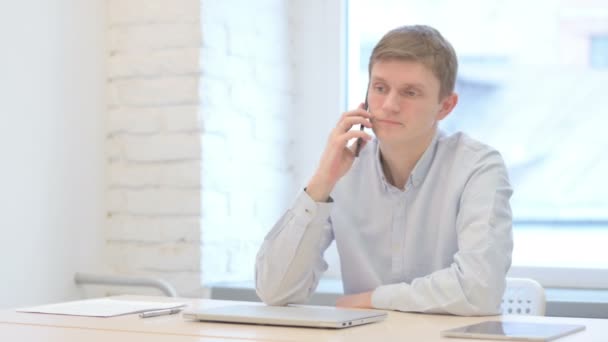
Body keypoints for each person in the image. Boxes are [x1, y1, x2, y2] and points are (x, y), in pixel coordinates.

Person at [255, 25, 513, 316]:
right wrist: (320, 184)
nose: (389, 105)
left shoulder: (478, 168)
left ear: (446, 106)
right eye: (380, 88)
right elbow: (274, 290)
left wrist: (374, 299)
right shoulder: (343, 168)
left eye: (410, 92)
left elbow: (479, 290)